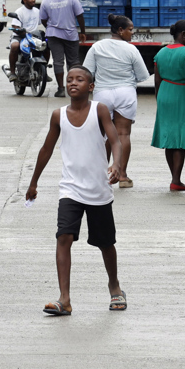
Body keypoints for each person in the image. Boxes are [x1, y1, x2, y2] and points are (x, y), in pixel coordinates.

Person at [25, 65, 126, 316]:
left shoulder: (99, 110)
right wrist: (33, 182)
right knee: (64, 238)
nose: (73, 83)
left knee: (105, 243)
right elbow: (46, 149)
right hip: (70, 189)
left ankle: (114, 286)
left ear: (90, 87)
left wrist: (117, 164)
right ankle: (64, 299)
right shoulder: (58, 115)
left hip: (98, 190)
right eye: (69, 79)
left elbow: (115, 140)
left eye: (80, 80)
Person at [83, 14, 150, 188]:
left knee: (103, 135)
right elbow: (143, 75)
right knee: (123, 134)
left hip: (102, 94)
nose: (132, 33)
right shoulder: (131, 49)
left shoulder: (97, 47)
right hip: (125, 93)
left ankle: (101, 175)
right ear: (120, 30)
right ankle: (121, 176)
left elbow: (87, 72)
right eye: (130, 29)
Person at [151, 20, 185, 191]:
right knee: (179, 139)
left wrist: (160, 99)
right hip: (181, 94)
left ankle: (175, 179)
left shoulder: (161, 52)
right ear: (183, 34)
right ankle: (176, 180)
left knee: (170, 139)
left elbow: (157, 80)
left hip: (165, 93)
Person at [39, 0, 87, 97]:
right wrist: (82, 32)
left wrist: (51, 27)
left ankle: (61, 89)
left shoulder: (46, 0)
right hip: (71, 35)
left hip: (53, 35)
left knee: (58, 62)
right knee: (74, 62)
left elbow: (43, 20)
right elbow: (80, 16)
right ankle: (75, 88)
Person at [7, 0, 42, 80]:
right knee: (15, 46)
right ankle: (12, 72)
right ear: (24, 0)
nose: (33, 0)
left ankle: (43, 69)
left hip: (33, 36)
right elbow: (14, 26)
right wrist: (20, 30)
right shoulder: (19, 11)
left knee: (46, 46)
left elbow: (42, 22)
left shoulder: (37, 11)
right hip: (20, 35)